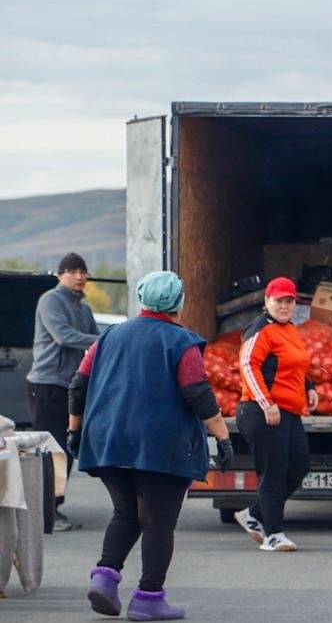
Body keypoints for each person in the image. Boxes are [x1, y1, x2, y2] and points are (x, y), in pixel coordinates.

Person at [67, 270, 234, 620]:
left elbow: (78, 385)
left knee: (126, 513)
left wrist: (74, 430)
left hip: (109, 441)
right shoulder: (181, 342)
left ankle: (104, 578)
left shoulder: (108, 336)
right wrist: (222, 435)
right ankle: (148, 598)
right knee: (158, 521)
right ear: (178, 302)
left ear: (142, 298)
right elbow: (196, 393)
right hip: (159, 446)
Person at [234, 276, 318, 552]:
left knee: (299, 465)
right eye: (279, 300)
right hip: (262, 411)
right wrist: (266, 403)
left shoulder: (290, 330)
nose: (284, 306)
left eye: (289, 301)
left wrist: (309, 387)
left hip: (289, 411)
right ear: (266, 301)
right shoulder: (260, 328)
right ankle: (273, 534)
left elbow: (296, 365)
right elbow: (248, 365)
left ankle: (254, 514)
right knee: (274, 471)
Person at [27, 251, 99, 531]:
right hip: (47, 384)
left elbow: (95, 343)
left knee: (66, 448)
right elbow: (64, 336)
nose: (79, 277)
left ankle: (54, 507)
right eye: (72, 271)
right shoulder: (51, 300)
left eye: (83, 271)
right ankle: (44, 511)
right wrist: (106, 340)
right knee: (49, 449)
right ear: (60, 275)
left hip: (70, 385)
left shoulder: (84, 308)